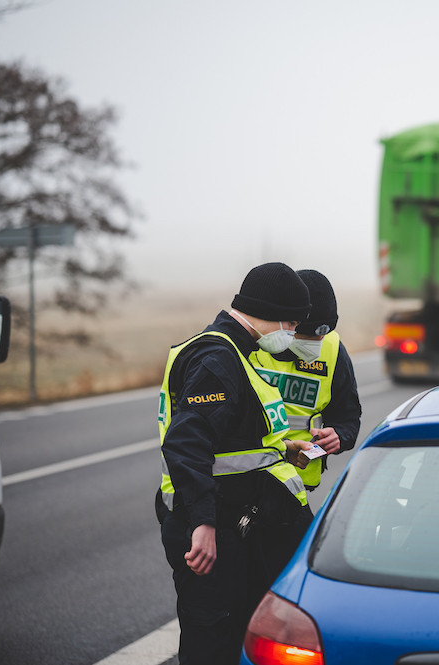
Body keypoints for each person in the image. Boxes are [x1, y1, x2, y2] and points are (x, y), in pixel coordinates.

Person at [155, 261, 314, 665]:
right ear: (271, 311)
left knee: (235, 637)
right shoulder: (217, 358)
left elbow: (231, 439)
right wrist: (203, 523)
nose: (292, 333)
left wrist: (282, 448)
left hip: (234, 526)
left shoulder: (233, 352)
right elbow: (186, 443)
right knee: (214, 646)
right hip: (217, 528)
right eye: (292, 323)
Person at [249, 269, 362, 498]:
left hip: (297, 486)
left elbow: (348, 418)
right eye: (311, 335)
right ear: (290, 323)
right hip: (247, 478)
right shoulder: (250, 346)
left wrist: (338, 436)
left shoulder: (333, 349)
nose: (319, 343)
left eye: (323, 335)